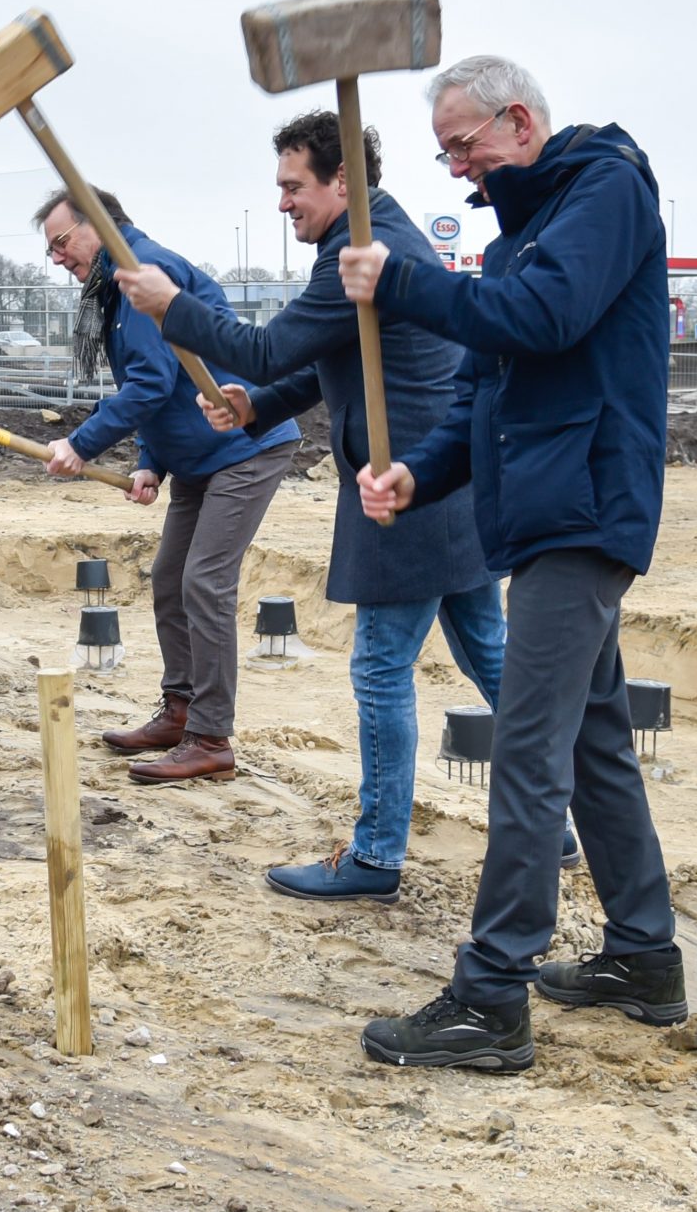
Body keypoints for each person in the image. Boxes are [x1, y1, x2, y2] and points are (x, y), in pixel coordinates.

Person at [341, 55, 681, 1072]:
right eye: (443, 152)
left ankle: (491, 995)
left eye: (463, 146)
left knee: (526, 754)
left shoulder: (603, 189)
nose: (455, 169)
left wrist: (400, 283)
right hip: (547, 512)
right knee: (589, 744)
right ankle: (641, 956)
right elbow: (487, 390)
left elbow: (547, 319)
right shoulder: (519, 234)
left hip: (581, 512)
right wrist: (415, 475)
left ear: (519, 121)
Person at [118, 113, 507, 893]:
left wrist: (171, 308)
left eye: (295, 187)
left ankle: (376, 855)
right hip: (446, 477)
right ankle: (564, 812)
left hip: (407, 484)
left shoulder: (361, 249)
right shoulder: (361, 242)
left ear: (342, 183)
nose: (284, 203)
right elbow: (331, 356)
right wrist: (258, 406)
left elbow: (268, 345)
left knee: (381, 670)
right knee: (496, 661)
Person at [36, 188, 297, 784]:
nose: (56, 258)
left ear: (97, 226)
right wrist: (150, 460)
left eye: (60, 242)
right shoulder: (118, 287)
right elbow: (158, 381)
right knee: (169, 578)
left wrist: (80, 444)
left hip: (244, 447)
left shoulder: (142, 273)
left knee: (205, 580)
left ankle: (211, 736)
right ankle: (181, 710)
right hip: (195, 456)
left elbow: (149, 384)